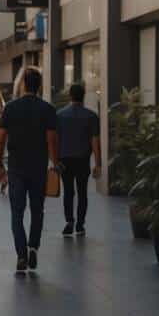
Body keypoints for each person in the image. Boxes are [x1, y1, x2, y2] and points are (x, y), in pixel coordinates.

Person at [0, 67, 58, 274]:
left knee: (17, 212)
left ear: (22, 84)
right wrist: (54, 163)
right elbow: (51, 139)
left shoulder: (10, 108)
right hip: (38, 166)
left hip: (16, 167)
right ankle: (33, 247)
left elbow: (0, 138)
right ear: (39, 85)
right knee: (37, 210)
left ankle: (21, 254)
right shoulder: (47, 109)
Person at [57, 83, 102, 237]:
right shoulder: (91, 116)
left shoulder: (60, 115)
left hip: (65, 160)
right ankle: (80, 225)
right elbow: (95, 141)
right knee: (82, 192)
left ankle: (69, 221)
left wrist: (55, 160)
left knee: (68, 192)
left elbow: (55, 140)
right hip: (83, 160)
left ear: (70, 95)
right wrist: (98, 164)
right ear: (83, 96)